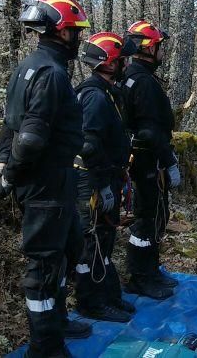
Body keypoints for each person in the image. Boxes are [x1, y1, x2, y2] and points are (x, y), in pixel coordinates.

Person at [0, 0, 91, 357]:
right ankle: (45, 346)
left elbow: (10, 127)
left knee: (66, 251)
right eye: (75, 32)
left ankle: (57, 321)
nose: (78, 39)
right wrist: (10, 174)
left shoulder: (28, 67)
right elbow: (29, 135)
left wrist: (1, 165)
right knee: (43, 264)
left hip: (56, 183)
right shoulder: (52, 74)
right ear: (59, 32)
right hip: (45, 185)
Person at [74, 32, 138, 322]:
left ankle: (108, 295)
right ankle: (91, 302)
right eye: (122, 60)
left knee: (105, 238)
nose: (127, 64)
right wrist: (102, 185)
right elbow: (88, 145)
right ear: (111, 64)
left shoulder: (107, 93)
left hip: (106, 176)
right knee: (94, 241)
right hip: (92, 180)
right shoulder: (95, 97)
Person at [122, 20, 180, 300]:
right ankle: (141, 276)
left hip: (145, 159)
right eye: (159, 47)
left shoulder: (133, 75)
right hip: (147, 162)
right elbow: (148, 129)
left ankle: (150, 270)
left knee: (155, 216)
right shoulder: (142, 81)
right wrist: (168, 161)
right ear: (149, 48)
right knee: (147, 219)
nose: (162, 53)